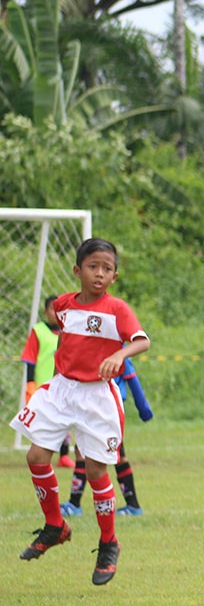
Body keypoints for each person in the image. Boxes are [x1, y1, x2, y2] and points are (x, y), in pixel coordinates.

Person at [9, 238, 150, 586]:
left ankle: (108, 542)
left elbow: (142, 340)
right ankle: (56, 525)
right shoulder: (63, 306)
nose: (99, 274)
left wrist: (119, 354)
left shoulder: (117, 309)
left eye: (106, 269)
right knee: (37, 456)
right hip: (62, 389)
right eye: (93, 267)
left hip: (98, 396)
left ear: (114, 276)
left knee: (98, 470)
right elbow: (64, 336)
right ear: (78, 270)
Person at [61, 357, 154, 517]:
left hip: (108, 410)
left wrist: (144, 408)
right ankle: (131, 505)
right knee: (89, 452)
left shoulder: (119, 352)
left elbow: (132, 380)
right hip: (92, 408)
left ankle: (75, 504)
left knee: (104, 454)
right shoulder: (96, 347)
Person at [18, 295, 75, 468]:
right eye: (52, 309)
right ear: (45, 312)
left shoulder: (70, 332)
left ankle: (64, 456)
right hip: (42, 387)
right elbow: (30, 358)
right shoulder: (39, 331)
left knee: (65, 420)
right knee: (42, 422)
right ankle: (40, 452)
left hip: (64, 385)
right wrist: (30, 384)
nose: (55, 313)